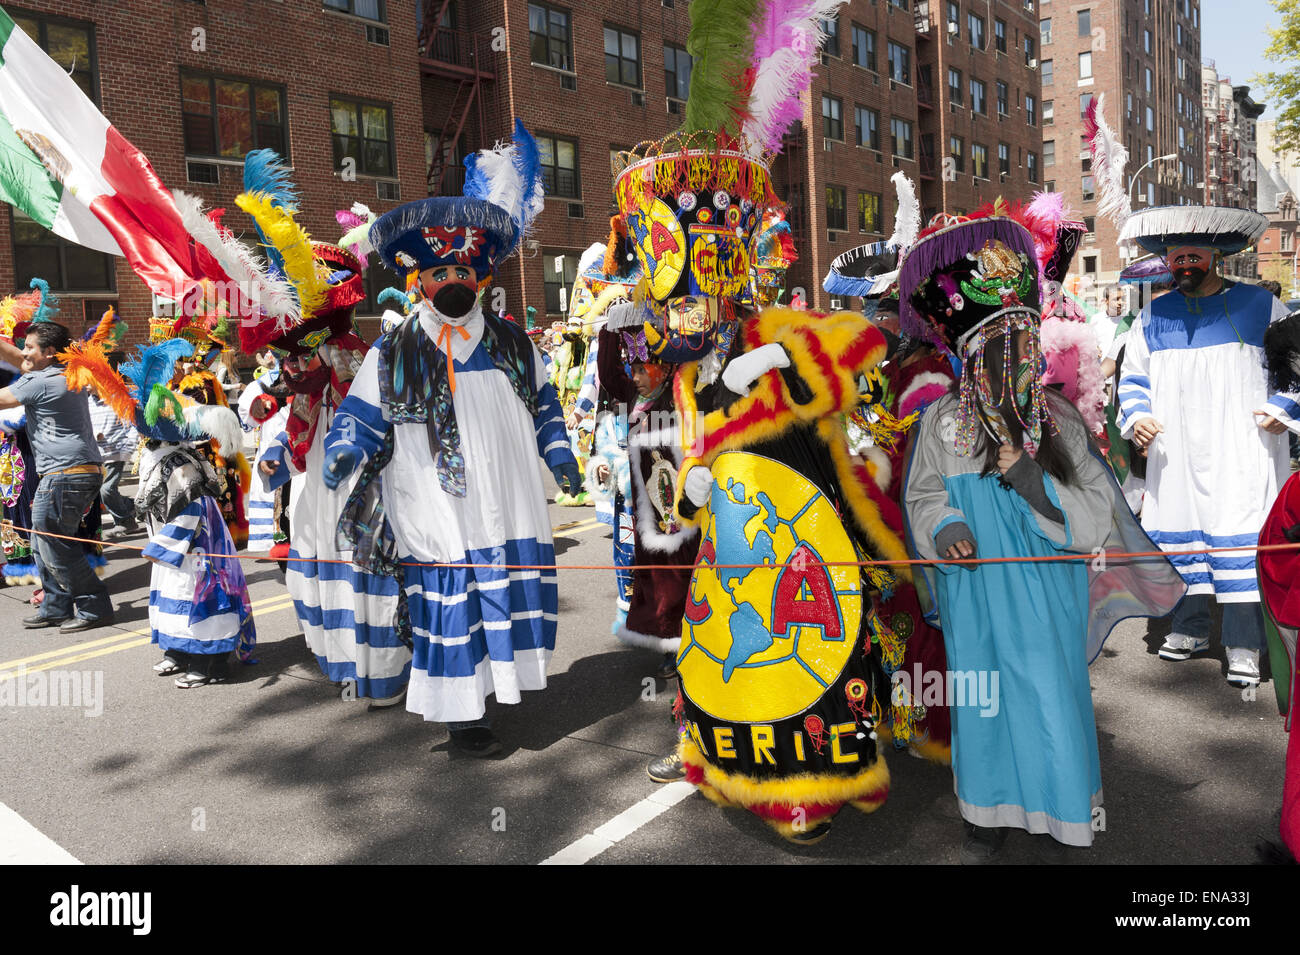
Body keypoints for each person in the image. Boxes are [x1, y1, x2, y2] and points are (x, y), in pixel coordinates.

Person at [899, 207, 1184, 862]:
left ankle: (1060, 814)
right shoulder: (941, 423)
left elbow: (1091, 519)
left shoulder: (1057, 420)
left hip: (1047, 601)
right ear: (970, 355)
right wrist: (947, 527)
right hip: (978, 602)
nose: (1016, 359)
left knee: (1051, 704)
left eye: (1024, 343)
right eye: (999, 348)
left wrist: (1030, 479)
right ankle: (988, 809)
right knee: (986, 705)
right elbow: (924, 494)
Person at [323, 122, 581, 757]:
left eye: (464, 267)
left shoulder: (515, 343)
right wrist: (345, 448)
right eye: (441, 271)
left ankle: (498, 690)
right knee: (448, 597)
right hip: (433, 501)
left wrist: (561, 453)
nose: (453, 280)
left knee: (503, 591)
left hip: (506, 495)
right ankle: (465, 720)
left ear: (483, 275)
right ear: (421, 281)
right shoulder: (397, 347)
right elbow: (363, 411)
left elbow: (545, 403)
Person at [234, 148, 404, 705]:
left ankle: (380, 669)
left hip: (364, 482)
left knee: (364, 565)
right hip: (317, 485)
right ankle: (343, 660)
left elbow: (369, 409)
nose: (291, 361)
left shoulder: (356, 353)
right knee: (321, 556)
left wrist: (303, 383)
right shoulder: (307, 365)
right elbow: (297, 406)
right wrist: (272, 430)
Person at [1116, 206, 1300, 687]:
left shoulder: (1261, 304)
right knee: (1183, 531)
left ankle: (1244, 646)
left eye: (1194, 257)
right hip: (1174, 449)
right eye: (1177, 259)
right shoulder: (1153, 313)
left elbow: (1297, 357)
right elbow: (1133, 376)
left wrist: (1284, 408)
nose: (1185, 266)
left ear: (1215, 255)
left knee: (1238, 533)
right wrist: (1137, 417)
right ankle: (1190, 629)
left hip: (1243, 446)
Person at [61, 331, 255, 687]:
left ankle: (208, 663)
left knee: (193, 599)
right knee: (170, 598)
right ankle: (177, 653)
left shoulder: (178, 462)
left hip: (192, 554)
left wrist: (161, 546)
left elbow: (191, 512)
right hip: (169, 553)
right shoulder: (157, 457)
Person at [592, 322, 697, 684]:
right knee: (655, 581)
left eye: (641, 369)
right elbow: (608, 374)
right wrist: (608, 327)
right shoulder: (635, 402)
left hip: (683, 511)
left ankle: (688, 646)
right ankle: (670, 645)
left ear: (663, 368)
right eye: (633, 370)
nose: (635, 377)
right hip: (646, 512)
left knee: (682, 579)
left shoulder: (681, 396)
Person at [0, 313, 113, 632]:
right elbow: (20, 360)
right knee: (42, 540)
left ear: (49, 352)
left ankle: (94, 605)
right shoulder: (64, 371)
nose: (24, 352)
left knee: (55, 543)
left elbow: (3, 399)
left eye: (31, 347)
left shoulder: (41, 381)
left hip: (66, 473)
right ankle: (55, 604)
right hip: (73, 471)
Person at [90, 349, 140, 541]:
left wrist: (128, 448)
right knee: (102, 492)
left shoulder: (118, 399)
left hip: (116, 452)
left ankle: (126, 521)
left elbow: (132, 426)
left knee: (107, 490)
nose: (85, 385)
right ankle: (131, 506)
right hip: (96, 454)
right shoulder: (86, 402)